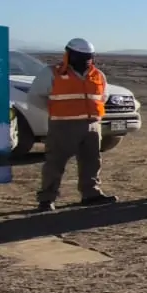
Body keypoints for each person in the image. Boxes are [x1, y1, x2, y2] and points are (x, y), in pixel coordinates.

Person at [30, 37, 117, 211]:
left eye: (88, 56)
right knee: (55, 162)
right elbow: (35, 97)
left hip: (92, 125)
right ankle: (47, 198)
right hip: (63, 125)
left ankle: (91, 194)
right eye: (81, 56)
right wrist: (56, 111)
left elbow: (102, 97)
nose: (86, 60)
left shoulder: (98, 75)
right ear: (69, 54)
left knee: (92, 161)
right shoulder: (52, 73)